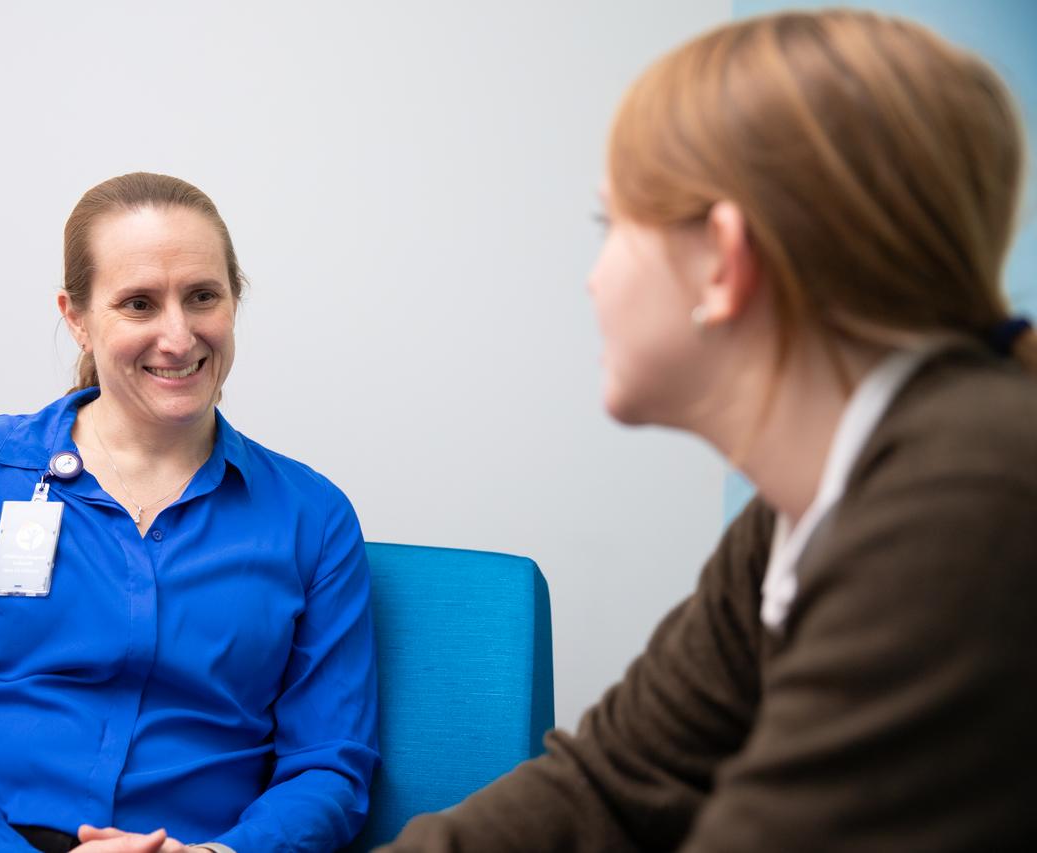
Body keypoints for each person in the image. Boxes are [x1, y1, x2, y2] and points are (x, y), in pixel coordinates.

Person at [382, 9, 1037, 851]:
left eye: (609, 225)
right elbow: (614, 783)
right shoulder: (800, 515)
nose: (592, 279)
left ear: (723, 260)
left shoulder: (958, 510)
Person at [0, 172, 379, 853]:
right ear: (77, 318)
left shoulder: (313, 518)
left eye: (203, 296)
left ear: (234, 300)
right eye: (139, 304)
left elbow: (330, 762)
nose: (178, 337)